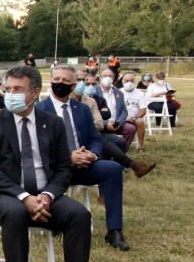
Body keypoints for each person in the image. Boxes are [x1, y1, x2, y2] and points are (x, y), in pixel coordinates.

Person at [0, 65, 98, 262]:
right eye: (7, 89)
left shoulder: (52, 124)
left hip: (45, 194)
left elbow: (64, 168)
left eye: (18, 89)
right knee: (16, 213)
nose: (10, 94)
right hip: (4, 196)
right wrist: (25, 197)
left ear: (34, 93)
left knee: (80, 215)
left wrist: (47, 196)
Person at [36, 65, 129, 251]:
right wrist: (69, 157)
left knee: (113, 169)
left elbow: (95, 139)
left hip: (84, 165)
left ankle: (114, 230)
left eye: (65, 81)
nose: (60, 83)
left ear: (73, 85)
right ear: (51, 81)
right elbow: (38, 147)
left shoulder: (82, 109)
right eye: (57, 80)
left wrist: (92, 155)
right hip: (55, 171)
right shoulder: (39, 110)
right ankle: (56, 221)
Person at [120, 72, 148, 152]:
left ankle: (140, 147)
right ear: (122, 81)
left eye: (131, 80)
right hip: (120, 117)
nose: (129, 83)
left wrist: (134, 117)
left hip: (135, 118)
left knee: (140, 121)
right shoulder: (118, 92)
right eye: (127, 80)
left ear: (135, 82)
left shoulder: (140, 94)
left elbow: (143, 110)